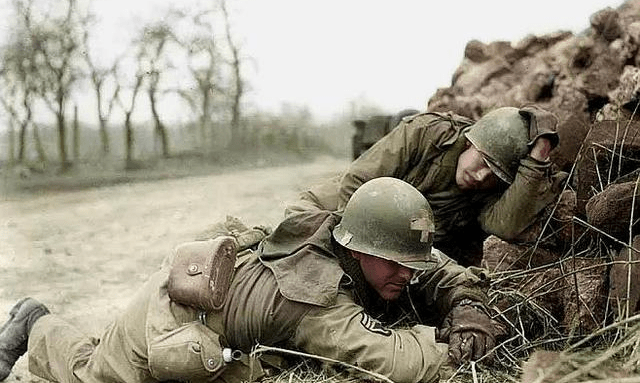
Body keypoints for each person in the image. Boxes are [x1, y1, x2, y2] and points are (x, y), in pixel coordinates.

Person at [0, 178, 503, 383]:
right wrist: (456, 348)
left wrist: (468, 308)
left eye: (408, 262)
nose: (405, 273)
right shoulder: (314, 298)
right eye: (392, 262)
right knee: (93, 374)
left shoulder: (353, 234)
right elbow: (395, 361)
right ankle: (36, 323)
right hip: (170, 318)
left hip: (219, 300)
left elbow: (433, 266)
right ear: (358, 247)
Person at [286, 105, 567, 266]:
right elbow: (358, 180)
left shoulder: (490, 193)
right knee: (299, 235)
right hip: (347, 208)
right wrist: (352, 248)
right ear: (471, 142)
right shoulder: (428, 133)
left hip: (398, 247)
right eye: (482, 162)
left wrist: (538, 157)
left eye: (494, 175)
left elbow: (505, 225)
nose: (481, 177)